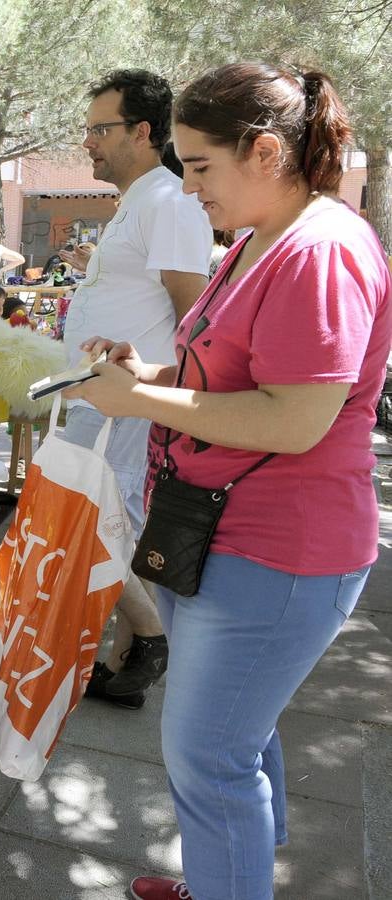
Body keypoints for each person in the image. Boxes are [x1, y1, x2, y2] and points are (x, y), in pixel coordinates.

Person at [69, 64, 390, 900]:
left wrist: (142, 395)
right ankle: (236, 872)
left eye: (200, 166)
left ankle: (232, 878)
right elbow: (225, 366)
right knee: (230, 742)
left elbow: (295, 419)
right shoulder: (263, 235)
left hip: (278, 547)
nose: (188, 186)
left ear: (267, 152)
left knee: (209, 754)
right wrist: (152, 372)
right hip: (217, 531)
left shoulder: (317, 252)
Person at [62, 69, 214, 711]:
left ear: (143, 132)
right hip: (104, 397)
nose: (90, 142)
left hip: (128, 403)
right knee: (99, 521)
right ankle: (132, 651)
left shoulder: (170, 202)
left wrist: (158, 395)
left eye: (101, 129)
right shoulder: (142, 199)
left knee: (94, 521)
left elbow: (194, 321)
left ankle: (147, 636)